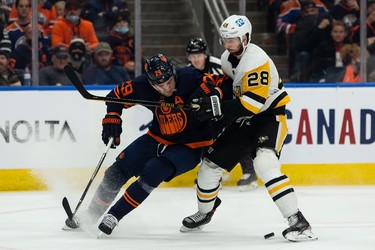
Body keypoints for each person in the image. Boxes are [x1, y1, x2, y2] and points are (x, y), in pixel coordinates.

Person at [181, 15, 317, 242]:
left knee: (265, 163)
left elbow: (251, 105)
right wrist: (209, 96)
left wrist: (215, 108)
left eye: (233, 39)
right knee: (209, 166)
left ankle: (297, 221)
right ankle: (205, 213)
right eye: (225, 39)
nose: (227, 45)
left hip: (268, 117)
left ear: (246, 37)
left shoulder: (256, 60)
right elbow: (228, 85)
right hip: (245, 118)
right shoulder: (226, 58)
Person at [63, 54, 231, 236]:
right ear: (150, 83)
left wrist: (214, 93)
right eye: (159, 85)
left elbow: (226, 82)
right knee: (116, 172)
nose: (166, 87)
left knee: (153, 170)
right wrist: (112, 116)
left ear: (173, 73)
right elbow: (116, 96)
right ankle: (91, 215)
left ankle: (114, 215)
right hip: (157, 138)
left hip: (192, 145)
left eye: (169, 81)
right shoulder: (142, 85)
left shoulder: (191, 77)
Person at [186, 37, 258, 191]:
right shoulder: (188, 72)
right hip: (209, 112)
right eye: (192, 56)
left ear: (205, 54)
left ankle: (249, 173)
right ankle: (214, 176)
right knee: (206, 140)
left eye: (198, 55)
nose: (195, 59)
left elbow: (235, 82)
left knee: (235, 136)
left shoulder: (220, 64)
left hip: (228, 106)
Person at [105, 11, 142, 80]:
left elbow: (139, 54)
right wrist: (121, 66)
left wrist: (134, 63)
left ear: (128, 24)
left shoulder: (134, 39)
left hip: (133, 69)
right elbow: (108, 56)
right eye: (119, 22)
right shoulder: (109, 40)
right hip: (115, 71)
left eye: (124, 22)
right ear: (115, 25)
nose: (122, 24)